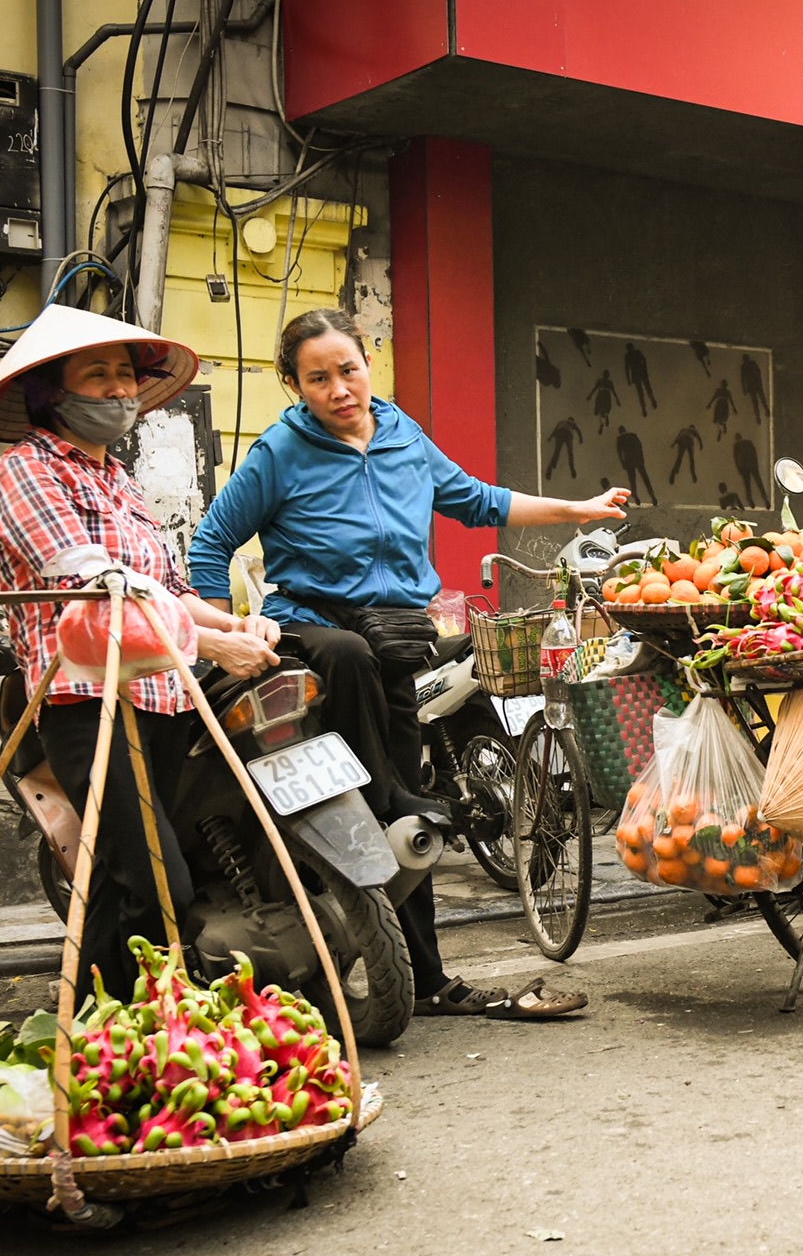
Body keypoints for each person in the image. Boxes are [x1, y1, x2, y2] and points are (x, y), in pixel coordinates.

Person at [189, 307, 630, 1020]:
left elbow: (482, 500)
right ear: (296, 387)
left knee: (407, 824)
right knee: (375, 731)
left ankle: (428, 980)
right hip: (315, 638)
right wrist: (231, 631)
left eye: (349, 369)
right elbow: (210, 546)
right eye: (318, 378)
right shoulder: (280, 451)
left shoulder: (403, 437)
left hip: (392, 645)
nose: (339, 388)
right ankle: (394, 799)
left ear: (369, 365)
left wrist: (576, 511)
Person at [0, 305, 284, 1001]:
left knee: (116, 880)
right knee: (158, 883)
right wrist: (207, 643)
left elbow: (169, 589)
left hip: (163, 699)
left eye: (125, 375)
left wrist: (239, 625)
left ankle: (94, 1035)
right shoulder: (26, 472)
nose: (119, 390)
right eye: (98, 375)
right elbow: (97, 587)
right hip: (89, 703)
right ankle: (167, 1029)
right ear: (53, 391)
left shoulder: (122, 482)